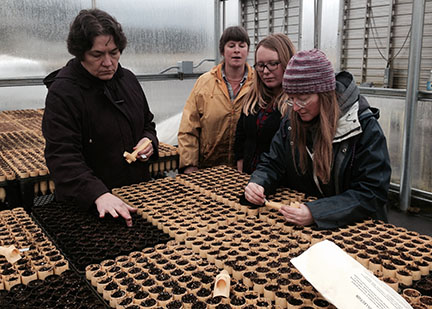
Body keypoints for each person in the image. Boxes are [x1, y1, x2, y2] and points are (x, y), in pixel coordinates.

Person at [244, 49, 391, 229]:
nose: (296, 107)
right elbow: (273, 163)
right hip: (310, 228)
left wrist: (317, 212)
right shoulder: (291, 123)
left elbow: (372, 192)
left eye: (303, 99)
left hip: (358, 229)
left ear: (325, 95)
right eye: (291, 99)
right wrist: (258, 182)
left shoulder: (362, 127)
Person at [42, 9, 158, 227]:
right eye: (97, 55)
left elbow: (147, 123)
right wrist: (97, 194)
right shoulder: (64, 92)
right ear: (80, 53)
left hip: (136, 197)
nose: (108, 62)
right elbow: (62, 156)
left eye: (114, 53)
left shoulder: (128, 80)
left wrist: (148, 142)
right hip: (88, 209)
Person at [178, 26, 254, 173]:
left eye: (242, 45)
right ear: (222, 51)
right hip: (208, 169)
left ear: (248, 50)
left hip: (246, 171)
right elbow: (188, 127)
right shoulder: (205, 83)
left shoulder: (257, 84)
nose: (237, 50)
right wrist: (189, 165)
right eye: (231, 45)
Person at [235, 33, 295, 174]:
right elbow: (241, 135)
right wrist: (240, 168)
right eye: (260, 65)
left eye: (273, 64)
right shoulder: (253, 98)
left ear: (287, 62)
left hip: (281, 186)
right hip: (249, 180)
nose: (265, 71)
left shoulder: (295, 104)